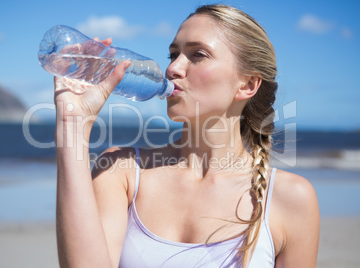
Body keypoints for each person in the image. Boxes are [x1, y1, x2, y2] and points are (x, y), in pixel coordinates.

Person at [53, 4, 319, 268]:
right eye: (173, 54)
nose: (173, 68)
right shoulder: (121, 172)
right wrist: (72, 125)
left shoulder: (289, 198)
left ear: (248, 84)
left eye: (198, 55)